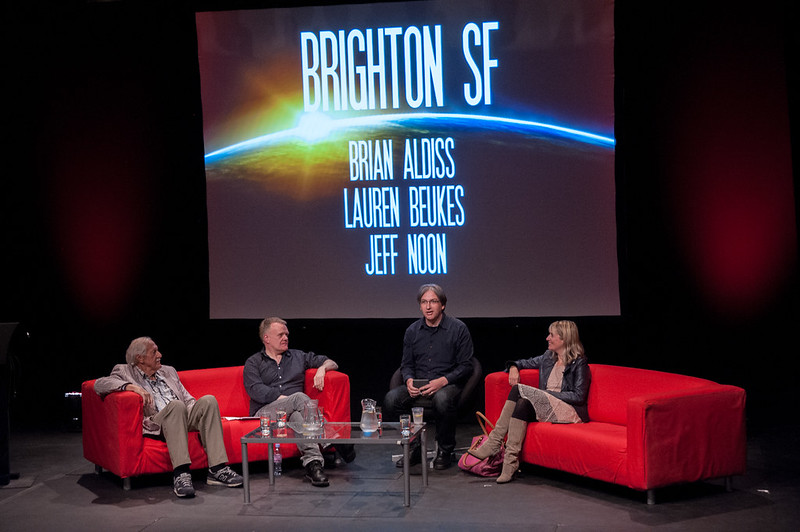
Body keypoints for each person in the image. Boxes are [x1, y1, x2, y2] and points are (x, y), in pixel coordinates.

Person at [93, 337, 243, 498]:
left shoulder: (168, 371)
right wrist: (131, 387)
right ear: (140, 358)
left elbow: (187, 399)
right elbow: (99, 385)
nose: (160, 355)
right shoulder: (124, 371)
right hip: (157, 421)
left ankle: (217, 469)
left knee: (208, 400)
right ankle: (181, 473)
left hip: (181, 416)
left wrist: (199, 413)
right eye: (154, 352)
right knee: (176, 406)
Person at [466, 320, 591, 483]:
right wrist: (513, 367)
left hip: (570, 411)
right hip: (548, 407)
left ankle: (494, 442)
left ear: (564, 339)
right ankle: (510, 464)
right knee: (522, 404)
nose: (547, 338)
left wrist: (547, 395)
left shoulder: (579, 362)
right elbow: (523, 362)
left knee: (517, 389)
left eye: (551, 335)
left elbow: (579, 396)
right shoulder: (548, 357)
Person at [243, 317, 343, 487]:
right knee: (298, 398)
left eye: (287, 334)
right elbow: (255, 389)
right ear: (266, 338)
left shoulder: (298, 356)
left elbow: (331, 362)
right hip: (266, 412)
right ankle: (331, 437)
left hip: (297, 410)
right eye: (280, 334)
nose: (285, 338)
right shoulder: (254, 362)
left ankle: (314, 465)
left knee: (298, 416)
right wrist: (281, 398)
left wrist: (322, 368)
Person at [383, 283, 474, 470]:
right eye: (424, 302)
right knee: (391, 399)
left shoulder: (458, 329)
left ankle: (445, 449)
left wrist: (443, 381)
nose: (428, 306)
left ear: (443, 305)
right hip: (420, 384)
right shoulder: (412, 331)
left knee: (442, 399)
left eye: (433, 301)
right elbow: (406, 365)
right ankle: (415, 447)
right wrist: (408, 380)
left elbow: (466, 366)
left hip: (449, 383)